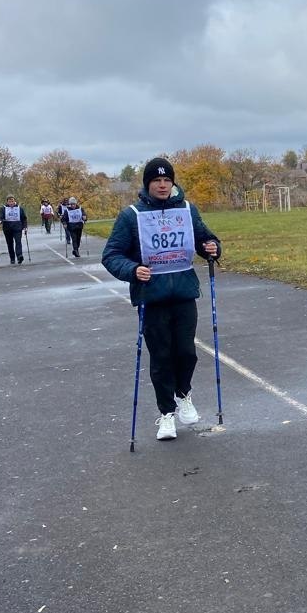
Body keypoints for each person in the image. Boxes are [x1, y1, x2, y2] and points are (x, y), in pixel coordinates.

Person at [102, 158, 221, 441]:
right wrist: (132, 270)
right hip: (151, 297)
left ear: (173, 182)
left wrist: (212, 248)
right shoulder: (131, 215)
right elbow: (111, 255)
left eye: (167, 180)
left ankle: (183, 395)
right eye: (156, 181)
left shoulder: (187, 209)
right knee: (162, 357)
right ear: (147, 184)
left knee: (186, 353)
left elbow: (205, 241)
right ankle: (166, 414)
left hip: (183, 293)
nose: (162, 184)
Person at [0, 194, 28, 265]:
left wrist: (25, 227)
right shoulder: (3, 209)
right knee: (10, 243)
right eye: (9, 201)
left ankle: (19, 256)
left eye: (12, 201)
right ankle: (12, 258)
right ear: (7, 202)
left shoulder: (19, 208)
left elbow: (24, 218)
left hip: (17, 228)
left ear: (14, 201)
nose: (11, 203)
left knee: (18, 242)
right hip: (7, 228)